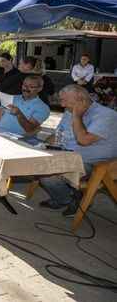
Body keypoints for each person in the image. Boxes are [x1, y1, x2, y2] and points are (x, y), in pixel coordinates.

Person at [39, 85, 117, 216]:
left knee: (48, 176)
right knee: (37, 165)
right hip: (69, 155)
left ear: (81, 100)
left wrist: (77, 115)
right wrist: (41, 146)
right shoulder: (69, 111)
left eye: (65, 101)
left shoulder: (106, 115)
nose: (62, 105)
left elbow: (83, 140)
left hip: (97, 164)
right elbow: (58, 134)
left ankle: (71, 199)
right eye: (61, 100)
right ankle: (66, 198)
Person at [0, 52, 21, 117]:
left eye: (3, 61)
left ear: (10, 60)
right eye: (0, 61)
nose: (1, 63)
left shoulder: (16, 73)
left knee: (5, 116)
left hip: (9, 98)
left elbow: (2, 86)